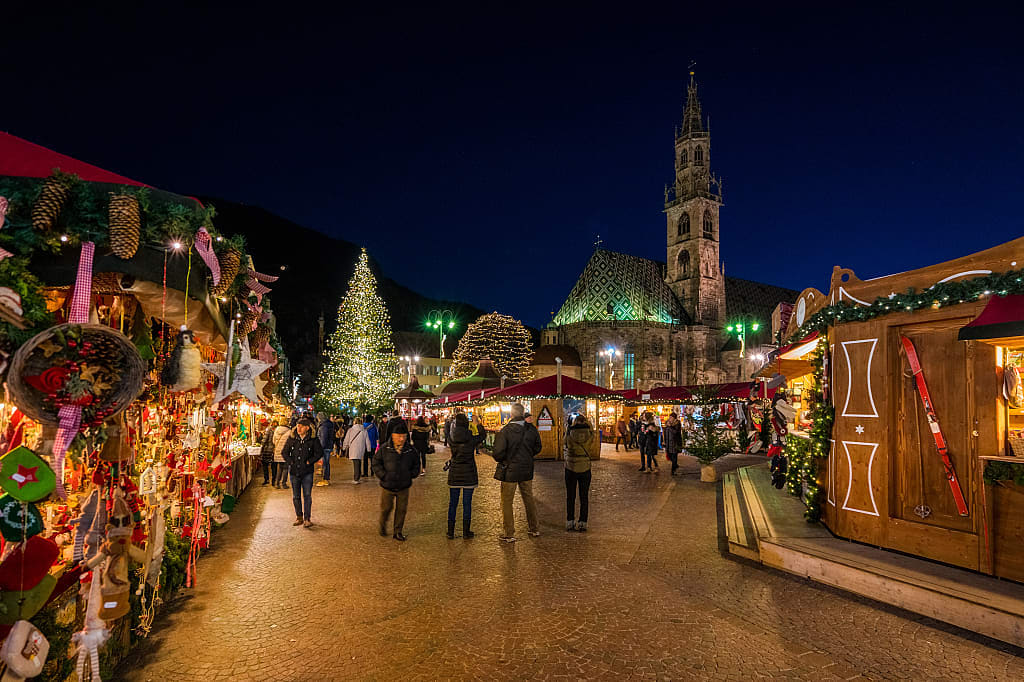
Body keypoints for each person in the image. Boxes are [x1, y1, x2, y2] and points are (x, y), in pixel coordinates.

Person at [491, 402, 542, 543]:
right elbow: (538, 447)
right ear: (523, 413)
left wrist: (505, 459)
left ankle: (509, 533)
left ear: (511, 414)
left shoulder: (506, 431)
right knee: (528, 498)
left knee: (507, 501)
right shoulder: (531, 429)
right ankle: (534, 528)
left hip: (510, 471)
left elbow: (498, 453)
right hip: (526, 469)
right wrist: (527, 456)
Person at [372, 421, 420, 541]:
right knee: (386, 508)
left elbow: (416, 464)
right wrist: (383, 475)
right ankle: (382, 525)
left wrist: (411, 475)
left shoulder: (410, 450)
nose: (401, 439)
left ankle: (398, 531)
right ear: (393, 436)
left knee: (401, 510)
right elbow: (376, 463)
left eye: (403, 436)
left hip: (403, 486)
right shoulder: (385, 448)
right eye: (399, 436)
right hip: (388, 485)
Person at [446, 413, 486, 539]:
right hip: (469, 474)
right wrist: (477, 424)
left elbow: (447, 432)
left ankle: (450, 532)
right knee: (467, 504)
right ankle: (466, 532)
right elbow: (483, 436)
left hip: (455, 473)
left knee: (453, 503)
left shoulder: (451, 438)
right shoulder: (471, 438)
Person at [281, 418, 323, 527]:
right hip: (294, 471)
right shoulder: (292, 438)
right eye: (297, 426)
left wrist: (310, 461)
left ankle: (307, 518)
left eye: (301, 426)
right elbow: (284, 452)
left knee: (307, 495)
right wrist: (291, 462)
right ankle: (299, 517)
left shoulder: (313, 439)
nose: (298, 428)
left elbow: (319, 452)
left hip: (307, 472)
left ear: (307, 428)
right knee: (296, 496)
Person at [564, 414, 594, 531]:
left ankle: (570, 521)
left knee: (570, 496)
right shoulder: (589, 434)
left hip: (571, 467)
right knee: (584, 497)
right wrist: (588, 423)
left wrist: (568, 428)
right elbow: (593, 433)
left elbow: (564, 442)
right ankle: (583, 522)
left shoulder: (570, 433)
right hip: (585, 467)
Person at [342, 416, 371, 484]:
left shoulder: (350, 430)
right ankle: (358, 476)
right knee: (358, 461)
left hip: (353, 448)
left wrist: (344, 447)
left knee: (356, 463)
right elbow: (367, 441)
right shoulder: (364, 430)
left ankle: (356, 478)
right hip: (361, 448)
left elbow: (346, 439)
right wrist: (368, 449)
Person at [315, 412, 335, 487]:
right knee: (325, 463)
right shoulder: (328, 424)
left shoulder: (324, 426)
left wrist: (320, 447)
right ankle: (326, 478)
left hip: (325, 447)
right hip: (328, 446)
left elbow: (323, 438)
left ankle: (325, 479)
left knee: (325, 463)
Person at [272, 420, 292, 488]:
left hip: (278, 451)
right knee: (285, 468)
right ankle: (284, 483)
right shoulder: (289, 431)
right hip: (286, 452)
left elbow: (273, 441)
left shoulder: (276, 430)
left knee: (280, 468)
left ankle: (277, 483)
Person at [258, 419, 278, 485]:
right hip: (274, 450)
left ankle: (266, 479)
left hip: (267, 450)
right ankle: (273, 480)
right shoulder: (277, 430)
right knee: (274, 466)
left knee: (265, 465)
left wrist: (261, 446)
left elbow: (264, 440)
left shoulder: (269, 430)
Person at [663, 411, 683, 475]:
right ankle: (675, 465)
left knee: (674, 457)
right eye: (670, 417)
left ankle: (673, 471)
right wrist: (664, 441)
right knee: (669, 456)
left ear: (674, 418)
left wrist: (670, 427)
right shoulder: (667, 424)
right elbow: (665, 433)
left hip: (675, 443)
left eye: (671, 417)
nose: (670, 419)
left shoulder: (677, 424)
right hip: (668, 443)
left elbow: (675, 432)